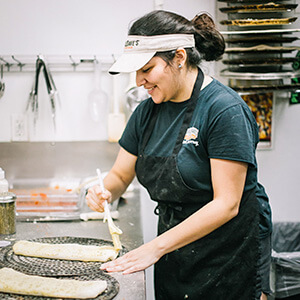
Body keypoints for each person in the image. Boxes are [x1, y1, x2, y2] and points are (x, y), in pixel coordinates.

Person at [86, 10, 272, 300]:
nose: (139, 81)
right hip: (175, 250)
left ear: (180, 58)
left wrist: (154, 247)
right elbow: (121, 175)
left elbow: (226, 204)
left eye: (147, 69)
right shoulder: (146, 113)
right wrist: (102, 190)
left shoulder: (224, 110)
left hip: (228, 254)